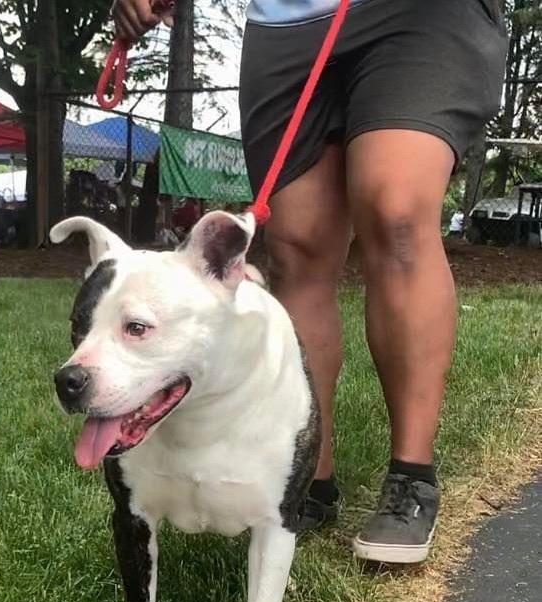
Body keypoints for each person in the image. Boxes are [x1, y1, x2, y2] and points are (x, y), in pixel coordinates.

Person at [112, 0, 507, 564]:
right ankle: (306, 478)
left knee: (395, 212)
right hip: (288, 23)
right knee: (298, 245)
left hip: (421, 14)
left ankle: (411, 478)